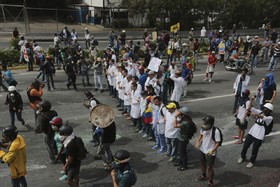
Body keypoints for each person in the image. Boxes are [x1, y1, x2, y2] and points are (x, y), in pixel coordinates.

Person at [238, 103, 273, 168]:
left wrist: (257, 115)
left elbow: (264, 118)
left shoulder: (270, 118)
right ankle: (243, 157)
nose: (264, 109)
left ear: (268, 110)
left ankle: (252, 161)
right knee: (245, 145)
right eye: (264, 108)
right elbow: (251, 109)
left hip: (260, 135)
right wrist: (251, 101)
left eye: (265, 108)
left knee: (255, 149)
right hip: (252, 131)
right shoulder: (260, 112)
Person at [195, 115, 221, 186]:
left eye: (206, 122)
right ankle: (203, 175)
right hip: (202, 149)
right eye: (204, 122)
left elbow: (217, 142)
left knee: (210, 167)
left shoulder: (216, 131)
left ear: (210, 123)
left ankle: (210, 182)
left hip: (210, 151)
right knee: (202, 163)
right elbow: (200, 135)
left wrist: (212, 150)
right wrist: (198, 141)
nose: (204, 123)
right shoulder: (203, 128)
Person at [173, 106, 196, 171]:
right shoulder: (186, 118)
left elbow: (175, 125)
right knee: (180, 151)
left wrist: (175, 116)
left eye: (180, 112)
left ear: (183, 114)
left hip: (183, 139)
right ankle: (180, 161)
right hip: (180, 137)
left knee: (183, 152)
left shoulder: (186, 122)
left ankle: (184, 165)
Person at [50, 116, 67, 181]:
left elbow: (63, 144)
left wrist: (58, 154)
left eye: (53, 125)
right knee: (64, 162)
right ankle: (66, 170)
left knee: (66, 162)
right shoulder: (57, 131)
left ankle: (67, 174)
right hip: (59, 149)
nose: (52, 126)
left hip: (63, 151)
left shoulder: (62, 132)